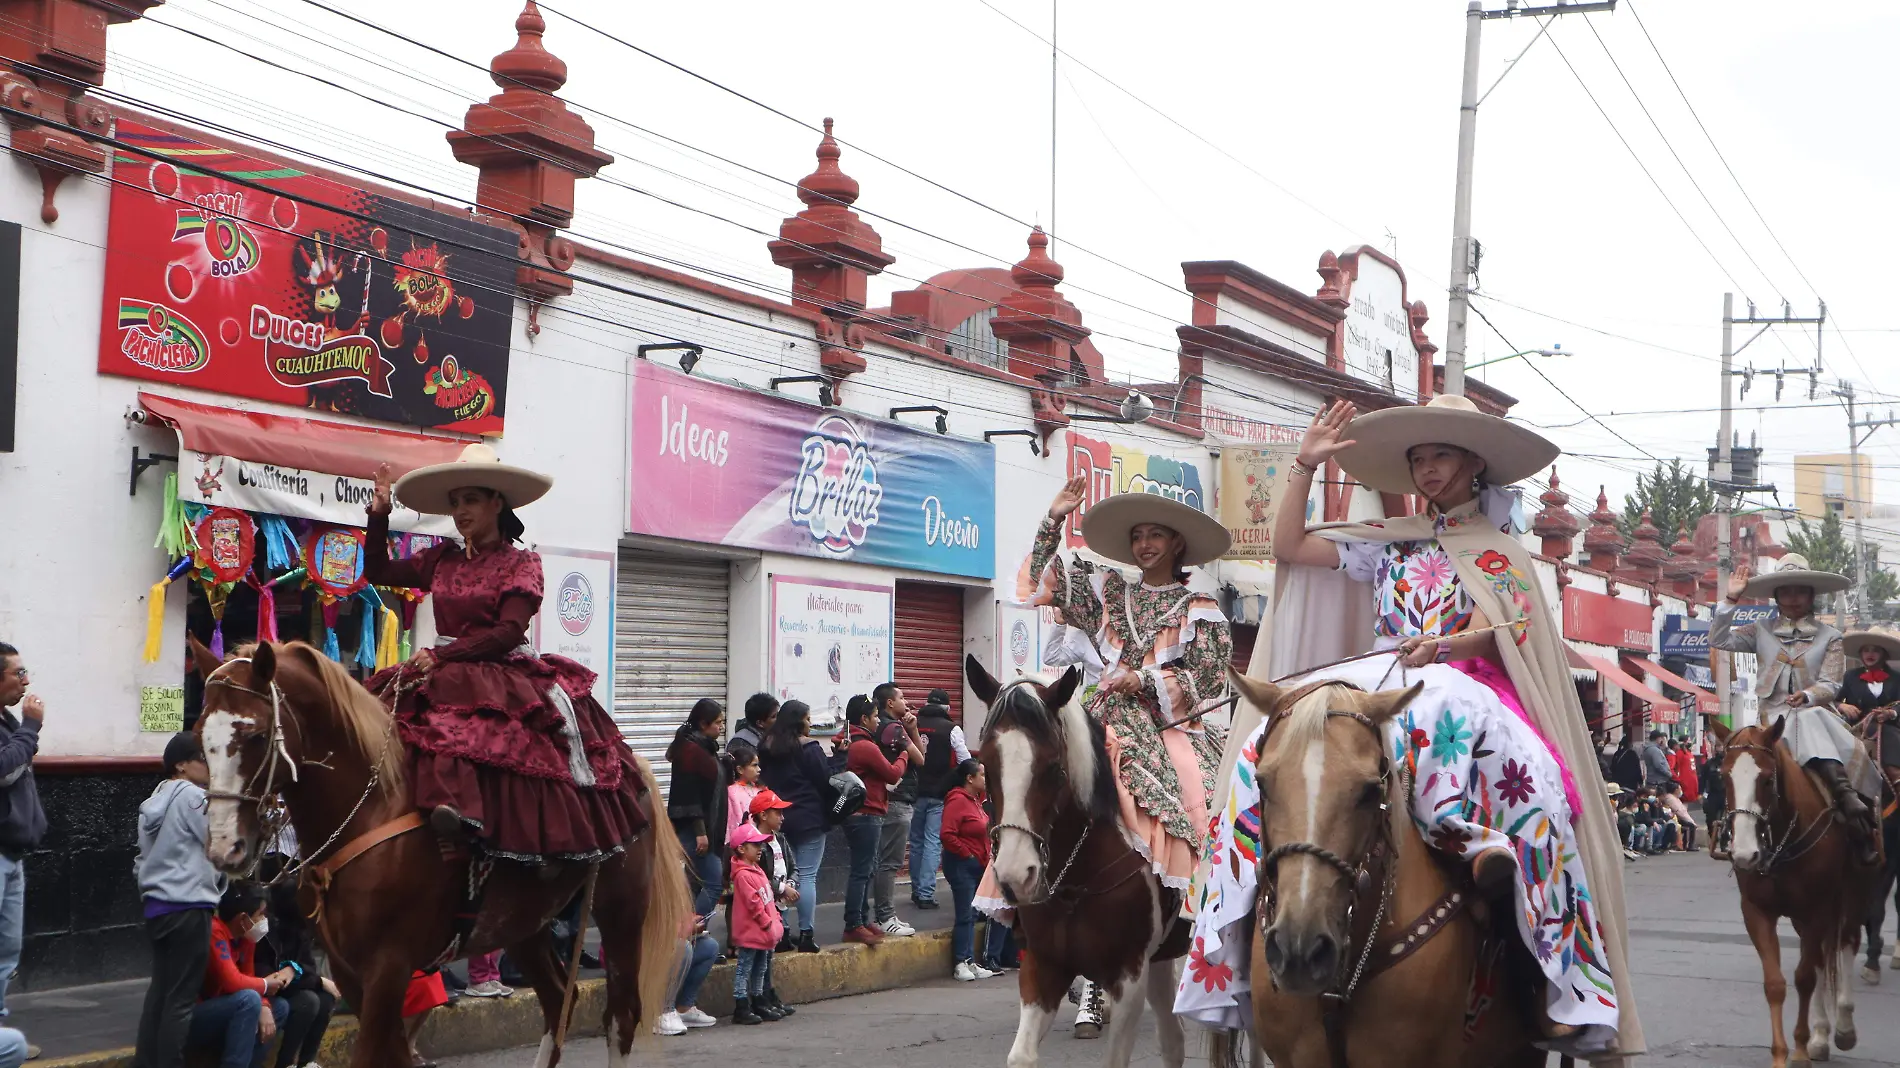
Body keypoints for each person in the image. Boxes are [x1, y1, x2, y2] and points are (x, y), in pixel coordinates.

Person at [1182, 396, 1641, 1061]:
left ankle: (1543, 962)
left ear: (1474, 463)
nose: (1427, 470)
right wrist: (1304, 470)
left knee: (1531, 785)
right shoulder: (1386, 546)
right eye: (1418, 459)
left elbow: (1517, 633)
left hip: (1467, 684)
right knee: (1272, 744)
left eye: (1441, 456)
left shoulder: (1499, 554)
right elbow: (1288, 547)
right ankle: (1232, 925)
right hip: (1381, 678)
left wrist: (1449, 648)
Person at [1017, 476, 1236, 1037]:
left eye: (1155, 535)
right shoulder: (1111, 592)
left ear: (1176, 543)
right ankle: (1025, 887)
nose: (1144, 545)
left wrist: (1144, 677)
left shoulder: (1201, 605)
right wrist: (1054, 518)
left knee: (1197, 787)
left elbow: (1209, 675)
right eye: (1137, 536)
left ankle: (1205, 895)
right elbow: (1046, 584)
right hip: (1096, 714)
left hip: (1166, 722)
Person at [364, 446, 645, 863]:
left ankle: (492, 840)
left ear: (497, 502)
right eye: (455, 502)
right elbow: (379, 572)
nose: (460, 511)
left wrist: (444, 657)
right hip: (442, 665)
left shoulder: (521, 563)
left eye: (471, 500)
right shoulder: (441, 559)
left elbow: (508, 631)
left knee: (485, 740)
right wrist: (379, 515)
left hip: (502, 668)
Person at [1712, 556, 1880, 865]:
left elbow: (1831, 683)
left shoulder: (1831, 637)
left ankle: (1850, 805)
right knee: (1741, 764)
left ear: (1811, 595)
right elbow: (1719, 639)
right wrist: (1730, 598)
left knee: (1811, 718)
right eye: (1786, 592)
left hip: (1816, 714)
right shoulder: (1759, 630)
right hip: (1770, 720)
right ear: (1776, 596)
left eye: (1799, 592)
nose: (1793, 599)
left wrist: (1809, 695)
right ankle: (1733, 826)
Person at [134, 733, 222, 1068]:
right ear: (181, 765)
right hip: (188, 905)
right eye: (203, 757)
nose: (209, 764)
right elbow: (216, 843)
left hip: (158, 906)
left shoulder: (155, 799)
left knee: (160, 993)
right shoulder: (193, 797)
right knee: (180, 1001)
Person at [844, 694, 922, 945]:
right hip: (866, 813)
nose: (878, 722)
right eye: (875, 716)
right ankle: (855, 923)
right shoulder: (864, 746)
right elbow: (891, 774)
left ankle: (863, 919)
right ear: (864, 719)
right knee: (863, 871)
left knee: (867, 870)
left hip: (865, 813)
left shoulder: (851, 741)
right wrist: (903, 755)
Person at [189, 883, 293, 1068]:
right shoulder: (215, 932)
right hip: (197, 1015)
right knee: (248, 999)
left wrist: (265, 1006)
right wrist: (266, 984)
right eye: (260, 914)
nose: (263, 919)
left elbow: (248, 975)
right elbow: (232, 982)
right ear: (243, 918)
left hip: (228, 1008)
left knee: (280, 1008)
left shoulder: (246, 938)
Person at [758, 700, 830, 952]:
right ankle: (807, 934)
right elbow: (825, 781)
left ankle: (783, 933)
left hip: (777, 819)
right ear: (799, 721)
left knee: (781, 876)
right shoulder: (810, 748)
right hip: (809, 819)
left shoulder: (766, 747)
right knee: (807, 876)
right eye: (808, 719)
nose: (810, 724)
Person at [0, 643, 44, 1037]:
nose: (26, 682)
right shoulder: (18, 725)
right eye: (18, 673)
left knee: (7, 951)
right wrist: (30, 728)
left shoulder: (8, 723)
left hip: (13, 854)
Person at [255, 877, 338, 1068]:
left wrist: (298, 972)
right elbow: (272, 977)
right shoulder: (266, 930)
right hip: (269, 992)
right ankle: (285, 1063)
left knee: (326, 1000)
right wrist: (316, 981)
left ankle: (306, 1062)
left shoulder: (300, 930)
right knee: (308, 1002)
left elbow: (307, 967)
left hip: (295, 987)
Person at [666, 698, 729, 918]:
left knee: (696, 885)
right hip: (696, 832)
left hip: (706, 830)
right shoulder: (691, 751)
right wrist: (700, 832)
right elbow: (689, 794)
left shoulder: (703, 747)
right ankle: (689, 929)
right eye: (718, 723)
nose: (721, 727)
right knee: (713, 883)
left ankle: (691, 934)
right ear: (703, 724)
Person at [870, 684, 924, 937]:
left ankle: (883, 915)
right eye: (902, 697)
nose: (906, 701)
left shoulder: (883, 726)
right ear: (890, 703)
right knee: (889, 863)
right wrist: (910, 730)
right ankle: (885, 916)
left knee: (882, 862)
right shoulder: (893, 727)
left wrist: (912, 728)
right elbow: (920, 759)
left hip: (889, 799)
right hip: (897, 800)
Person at [910, 689, 970, 911]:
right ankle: (925, 893)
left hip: (914, 793)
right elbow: (965, 761)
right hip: (939, 793)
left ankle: (917, 890)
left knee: (916, 842)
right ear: (947, 707)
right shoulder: (951, 728)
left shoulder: (913, 723)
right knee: (932, 841)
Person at [940, 759, 996, 981]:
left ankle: (970, 960)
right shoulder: (957, 801)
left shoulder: (976, 801)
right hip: (961, 865)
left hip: (978, 865)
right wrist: (967, 854)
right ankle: (960, 962)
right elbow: (947, 834)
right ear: (969, 778)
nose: (985, 779)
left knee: (972, 914)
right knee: (965, 914)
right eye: (981, 775)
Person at [745, 790, 801, 1007]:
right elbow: (757, 876)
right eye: (777, 812)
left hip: (779, 904)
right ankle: (758, 997)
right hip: (764, 904)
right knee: (759, 956)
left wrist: (792, 885)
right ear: (763, 816)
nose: (782, 817)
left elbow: (793, 867)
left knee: (770, 954)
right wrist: (781, 888)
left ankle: (768, 994)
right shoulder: (754, 844)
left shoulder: (781, 839)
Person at [726, 823, 785, 1025]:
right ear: (741, 849)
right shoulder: (742, 875)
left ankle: (758, 999)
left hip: (763, 931)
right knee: (744, 967)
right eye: (754, 845)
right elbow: (754, 905)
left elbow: (766, 898)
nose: (760, 849)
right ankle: (741, 1005)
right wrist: (768, 923)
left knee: (760, 967)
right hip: (752, 931)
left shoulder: (756, 870)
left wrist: (774, 918)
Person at [653, 912, 719, 1036]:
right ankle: (662, 1012)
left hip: (668, 941)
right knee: (682, 948)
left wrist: (691, 921)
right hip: (644, 952)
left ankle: (684, 1008)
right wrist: (685, 929)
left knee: (709, 947)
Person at [725, 741, 763, 845]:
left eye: (758, 765)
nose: (759, 769)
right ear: (740, 769)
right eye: (754, 765)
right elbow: (733, 823)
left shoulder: (760, 789)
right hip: (746, 844)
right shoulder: (732, 792)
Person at [1658, 782, 1698, 852]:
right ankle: (1688, 845)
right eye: (1679, 789)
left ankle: (1687, 845)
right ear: (1676, 790)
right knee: (1690, 825)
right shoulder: (1670, 799)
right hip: (1675, 818)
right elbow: (1679, 812)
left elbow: (1683, 811)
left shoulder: (1675, 798)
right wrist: (1691, 821)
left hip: (1678, 817)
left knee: (1691, 825)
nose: (1681, 790)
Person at [1666, 738, 1699, 803]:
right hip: (1687, 781)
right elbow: (1671, 768)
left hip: (1685, 780)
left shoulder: (1681, 754)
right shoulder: (1686, 754)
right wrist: (1677, 778)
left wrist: (1677, 778)